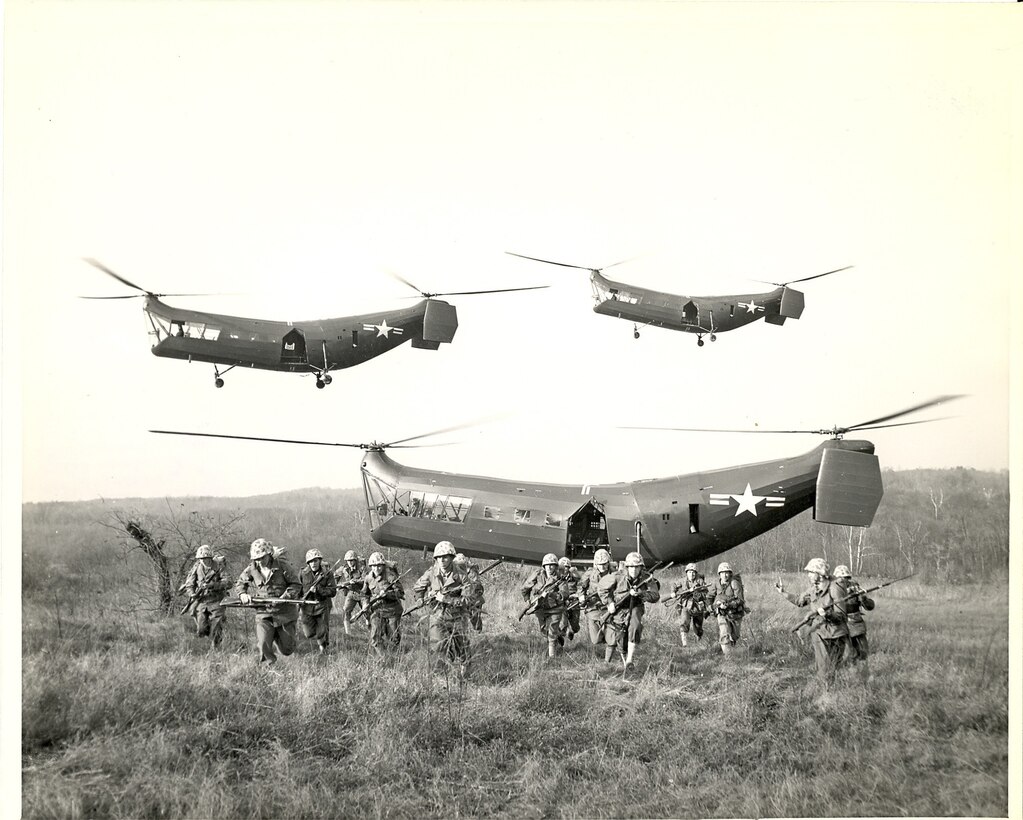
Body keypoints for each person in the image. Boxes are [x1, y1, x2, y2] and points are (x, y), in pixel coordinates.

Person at [776, 558, 850, 687]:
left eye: (811, 572)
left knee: (833, 667)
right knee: (823, 668)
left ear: (819, 574)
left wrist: (828, 614)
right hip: (819, 632)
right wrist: (783, 593)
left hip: (834, 634)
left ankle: (832, 695)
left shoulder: (835, 588)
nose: (808, 575)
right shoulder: (813, 589)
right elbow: (800, 601)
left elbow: (841, 616)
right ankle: (825, 694)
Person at [234, 538, 302, 665]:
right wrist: (243, 594)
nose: (259, 561)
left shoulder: (282, 566)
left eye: (262, 558)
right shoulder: (252, 568)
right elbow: (240, 583)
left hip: (285, 613)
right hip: (264, 612)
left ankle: (277, 635)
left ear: (269, 554)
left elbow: (296, 584)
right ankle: (267, 668)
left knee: (287, 649)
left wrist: (285, 596)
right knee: (264, 642)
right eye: (256, 559)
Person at [412, 541, 471, 676]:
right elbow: (418, 587)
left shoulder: (461, 575)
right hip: (437, 614)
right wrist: (420, 598)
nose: (442, 560)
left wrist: (448, 600)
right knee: (437, 645)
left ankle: (464, 675)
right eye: (439, 557)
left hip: (457, 616)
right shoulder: (431, 573)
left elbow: (469, 599)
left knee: (462, 646)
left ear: (451, 558)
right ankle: (441, 676)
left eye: (445, 557)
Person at [597, 551, 660, 669]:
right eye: (631, 567)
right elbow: (601, 588)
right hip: (619, 608)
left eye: (636, 567)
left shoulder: (647, 578)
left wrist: (640, 594)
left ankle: (630, 660)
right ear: (627, 567)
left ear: (641, 567)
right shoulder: (617, 576)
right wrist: (609, 603)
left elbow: (655, 596)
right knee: (619, 636)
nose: (634, 570)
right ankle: (620, 658)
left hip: (636, 607)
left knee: (635, 626)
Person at [520, 553, 570, 660]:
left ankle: (552, 658)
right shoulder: (538, 575)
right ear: (544, 566)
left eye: (552, 565)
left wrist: (551, 594)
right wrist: (527, 600)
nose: (549, 567)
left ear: (556, 566)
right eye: (547, 565)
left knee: (551, 633)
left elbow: (564, 595)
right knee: (544, 632)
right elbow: (525, 588)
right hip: (540, 608)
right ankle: (558, 637)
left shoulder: (560, 578)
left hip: (555, 609)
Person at [182, 545, 230, 648]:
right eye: (202, 559)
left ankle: (216, 648)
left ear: (210, 558)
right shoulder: (196, 567)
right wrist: (192, 593)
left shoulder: (219, 566)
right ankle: (206, 644)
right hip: (202, 601)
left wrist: (213, 585)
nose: (204, 561)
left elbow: (228, 582)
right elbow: (189, 584)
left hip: (217, 600)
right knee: (202, 629)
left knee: (216, 627)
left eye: (206, 559)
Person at [833, 564, 875, 683]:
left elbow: (870, 606)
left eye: (846, 578)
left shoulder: (855, 587)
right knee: (845, 653)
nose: (844, 581)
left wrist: (863, 599)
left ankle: (861, 675)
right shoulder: (833, 589)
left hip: (856, 624)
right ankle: (842, 676)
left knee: (862, 652)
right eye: (841, 578)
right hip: (840, 625)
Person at [360, 551, 405, 656]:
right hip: (377, 610)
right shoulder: (368, 578)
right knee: (375, 637)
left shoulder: (390, 576)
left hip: (392, 611)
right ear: (371, 566)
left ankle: (394, 657)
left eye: (379, 566)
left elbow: (400, 593)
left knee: (394, 638)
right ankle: (383, 657)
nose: (377, 568)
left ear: (383, 565)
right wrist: (365, 603)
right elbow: (364, 594)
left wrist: (387, 594)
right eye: (374, 566)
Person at [298, 549, 338, 655]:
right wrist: (298, 601)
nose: (313, 563)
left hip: (322, 606)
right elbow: (298, 588)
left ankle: (323, 648)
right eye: (311, 561)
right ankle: (321, 641)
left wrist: (319, 590)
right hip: (307, 607)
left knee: (322, 631)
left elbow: (333, 591)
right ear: (308, 563)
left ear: (320, 561)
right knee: (308, 633)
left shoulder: (327, 574)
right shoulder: (303, 573)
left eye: (316, 561)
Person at [576, 548, 614, 656]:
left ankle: (609, 656)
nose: (602, 567)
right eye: (599, 564)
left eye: (604, 564)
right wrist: (581, 596)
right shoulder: (590, 573)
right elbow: (580, 586)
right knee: (595, 640)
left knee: (611, 636)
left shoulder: (614, 574)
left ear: (608, 562)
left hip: (609, 608)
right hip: (593, 609)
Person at [710, 562, 747, 656]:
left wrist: (728, 605)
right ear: (719, 574)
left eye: (727, 572)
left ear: (730, 573)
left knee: (735, 635)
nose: (725, 575)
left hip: (735, 613)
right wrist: (710, 606)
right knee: (724, 632)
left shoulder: (734, 583)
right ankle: (728, 656)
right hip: (722, 613)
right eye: (722, 573)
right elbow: (710, 596)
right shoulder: (716, 584)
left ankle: (732, 646)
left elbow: (740, 600)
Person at [671, 563, 709, 646]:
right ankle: (685, 643)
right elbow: (674, 585)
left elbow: (706, 593)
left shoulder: (700, 581)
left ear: (696, 573)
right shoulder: (682, 581)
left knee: (698, 627)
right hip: (686, 605)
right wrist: (673, 592)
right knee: (684, 623)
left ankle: (698, 641)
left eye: (693, 572)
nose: (691, 574)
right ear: (686, 573)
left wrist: (697, 593)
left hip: (697, 607)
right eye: (689, 572)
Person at [335, 549, 366, 635]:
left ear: (355, 560)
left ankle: (371, 630)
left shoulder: (362, 568)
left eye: (352, 560)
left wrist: (356, 581)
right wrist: (338, 584)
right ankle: (348, 634)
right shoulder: (344, 568)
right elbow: (335, 576)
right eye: (348, 560)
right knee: (346, 611)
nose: (350, 562)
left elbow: (365, 579)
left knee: (367, 611)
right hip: (351, 592)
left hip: (362, 592)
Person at [455, 554, 485, 632]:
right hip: (464, 598)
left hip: (474, 598)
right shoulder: (457, 571)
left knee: (475, 617)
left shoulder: (471, 571)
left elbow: (476, 585)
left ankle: (478, 633)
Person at [558, 557, 582, 641]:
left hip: (573, 601)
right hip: (561, 602)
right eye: (563, 567)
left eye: (567, 567)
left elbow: (581, 586)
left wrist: (578, 595)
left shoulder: (575, 577)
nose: (565, 569)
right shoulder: (555, 577)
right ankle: (560, 637)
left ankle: (571, 631)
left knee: (575, 627)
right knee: (562, 624)